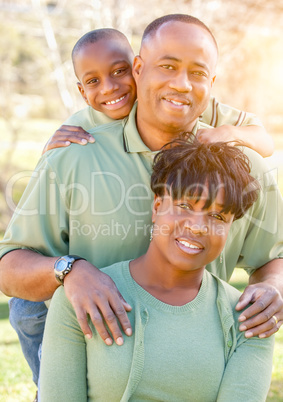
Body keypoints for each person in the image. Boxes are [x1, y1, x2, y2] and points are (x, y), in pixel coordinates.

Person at [0, 12, 282, 390]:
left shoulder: (244, 166)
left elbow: (273, 258)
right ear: (138, 68)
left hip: (200, 382)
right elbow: (9, 267)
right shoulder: (74, 155)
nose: (181, 84)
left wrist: (274, 286)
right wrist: (70, 269)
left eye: (197, 73)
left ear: (212, 83)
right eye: (167, 66)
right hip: (88, 379)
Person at [40, 137, 274, 402]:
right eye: (185, 205)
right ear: (157, 207)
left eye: (217, 216)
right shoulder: (80, 297)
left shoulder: (250, 318)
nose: (197, 226)